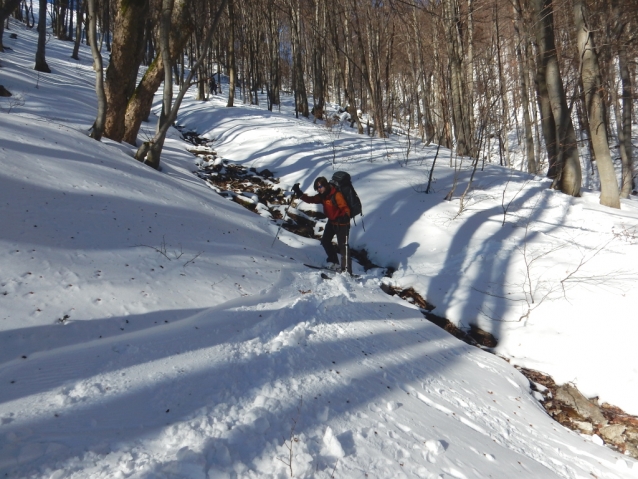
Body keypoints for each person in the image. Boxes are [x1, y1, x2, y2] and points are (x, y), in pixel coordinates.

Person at [293, 177, 352, 274]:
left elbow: (345, 208)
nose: (319, 189)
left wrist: (345, 216)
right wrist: (299, 193)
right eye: (317, 188)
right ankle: (334, 262)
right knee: (325, 241)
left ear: (325, 185)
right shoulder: (323, 196)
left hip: (342, 224)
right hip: (332, 222)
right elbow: (311, 199)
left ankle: (347, 271)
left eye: (320, 186)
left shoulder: (336, 194)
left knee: (343, 247)